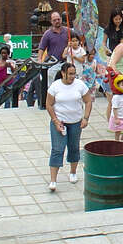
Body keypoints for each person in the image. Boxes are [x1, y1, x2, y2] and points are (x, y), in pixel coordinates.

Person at [45, 62, 93, 191]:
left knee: (73, 147)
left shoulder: (80, 85)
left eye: (74, 74)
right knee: (57, 149)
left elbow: (88, 101)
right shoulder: (55, 86)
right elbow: (49, 105)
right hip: (60, 122)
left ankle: (73, 172)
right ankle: (53, 180)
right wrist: (55, 121)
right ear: (63, 73)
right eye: (70, 74)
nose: (72, 76)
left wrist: (86, 118)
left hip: (76, 122)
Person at [108, 74, 123, 141]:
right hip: (118, 117)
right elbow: (114, 108)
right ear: (117, 86)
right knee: (117, 132)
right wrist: (116, 118)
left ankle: (122, 139)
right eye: (122, 85)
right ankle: (117, 142)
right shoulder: (116, 97)